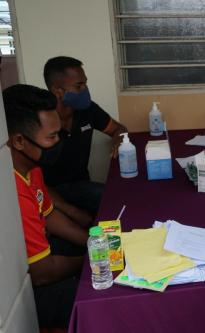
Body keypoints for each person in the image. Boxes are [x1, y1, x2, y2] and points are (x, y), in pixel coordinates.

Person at [3, 84, 85, 329]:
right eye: (51, 137)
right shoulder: (13, 190)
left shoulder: (31, 168)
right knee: (92, 290)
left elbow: (50, 217)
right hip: (29, 285)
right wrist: (90, 258)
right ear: (19, 140)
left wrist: (92, 240)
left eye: (59, 133)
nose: (59, 142)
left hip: (42, 257)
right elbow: (41, 272)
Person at [42, 56, 127, 216]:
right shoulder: (40, 121)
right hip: (50, 194)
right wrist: (73, 212)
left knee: (119, 199)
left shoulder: (88, 110)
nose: (85, 90)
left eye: (85, 83)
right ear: (57, 91)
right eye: (79, 85)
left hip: (81, 185)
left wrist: (119, 139)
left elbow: (119, 129)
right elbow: (33, 182)